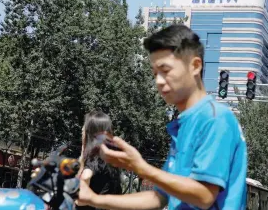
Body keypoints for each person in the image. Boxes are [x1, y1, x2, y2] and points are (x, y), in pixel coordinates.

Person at [77, 25, 247, 210]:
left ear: (195, 66)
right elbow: (158, 197)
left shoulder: (215, 119)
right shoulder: (184, 125)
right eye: (155, 73)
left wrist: (141, 168)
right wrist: (92, 199)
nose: (158, 81)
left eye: (165, 70)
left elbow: (204, 196)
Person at [76, 110, 122, 210]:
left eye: (85, 127)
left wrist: (76, 199)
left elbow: (85, 176)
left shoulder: (94, 158)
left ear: (91, 133)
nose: (82, 130)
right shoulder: (110, 159)